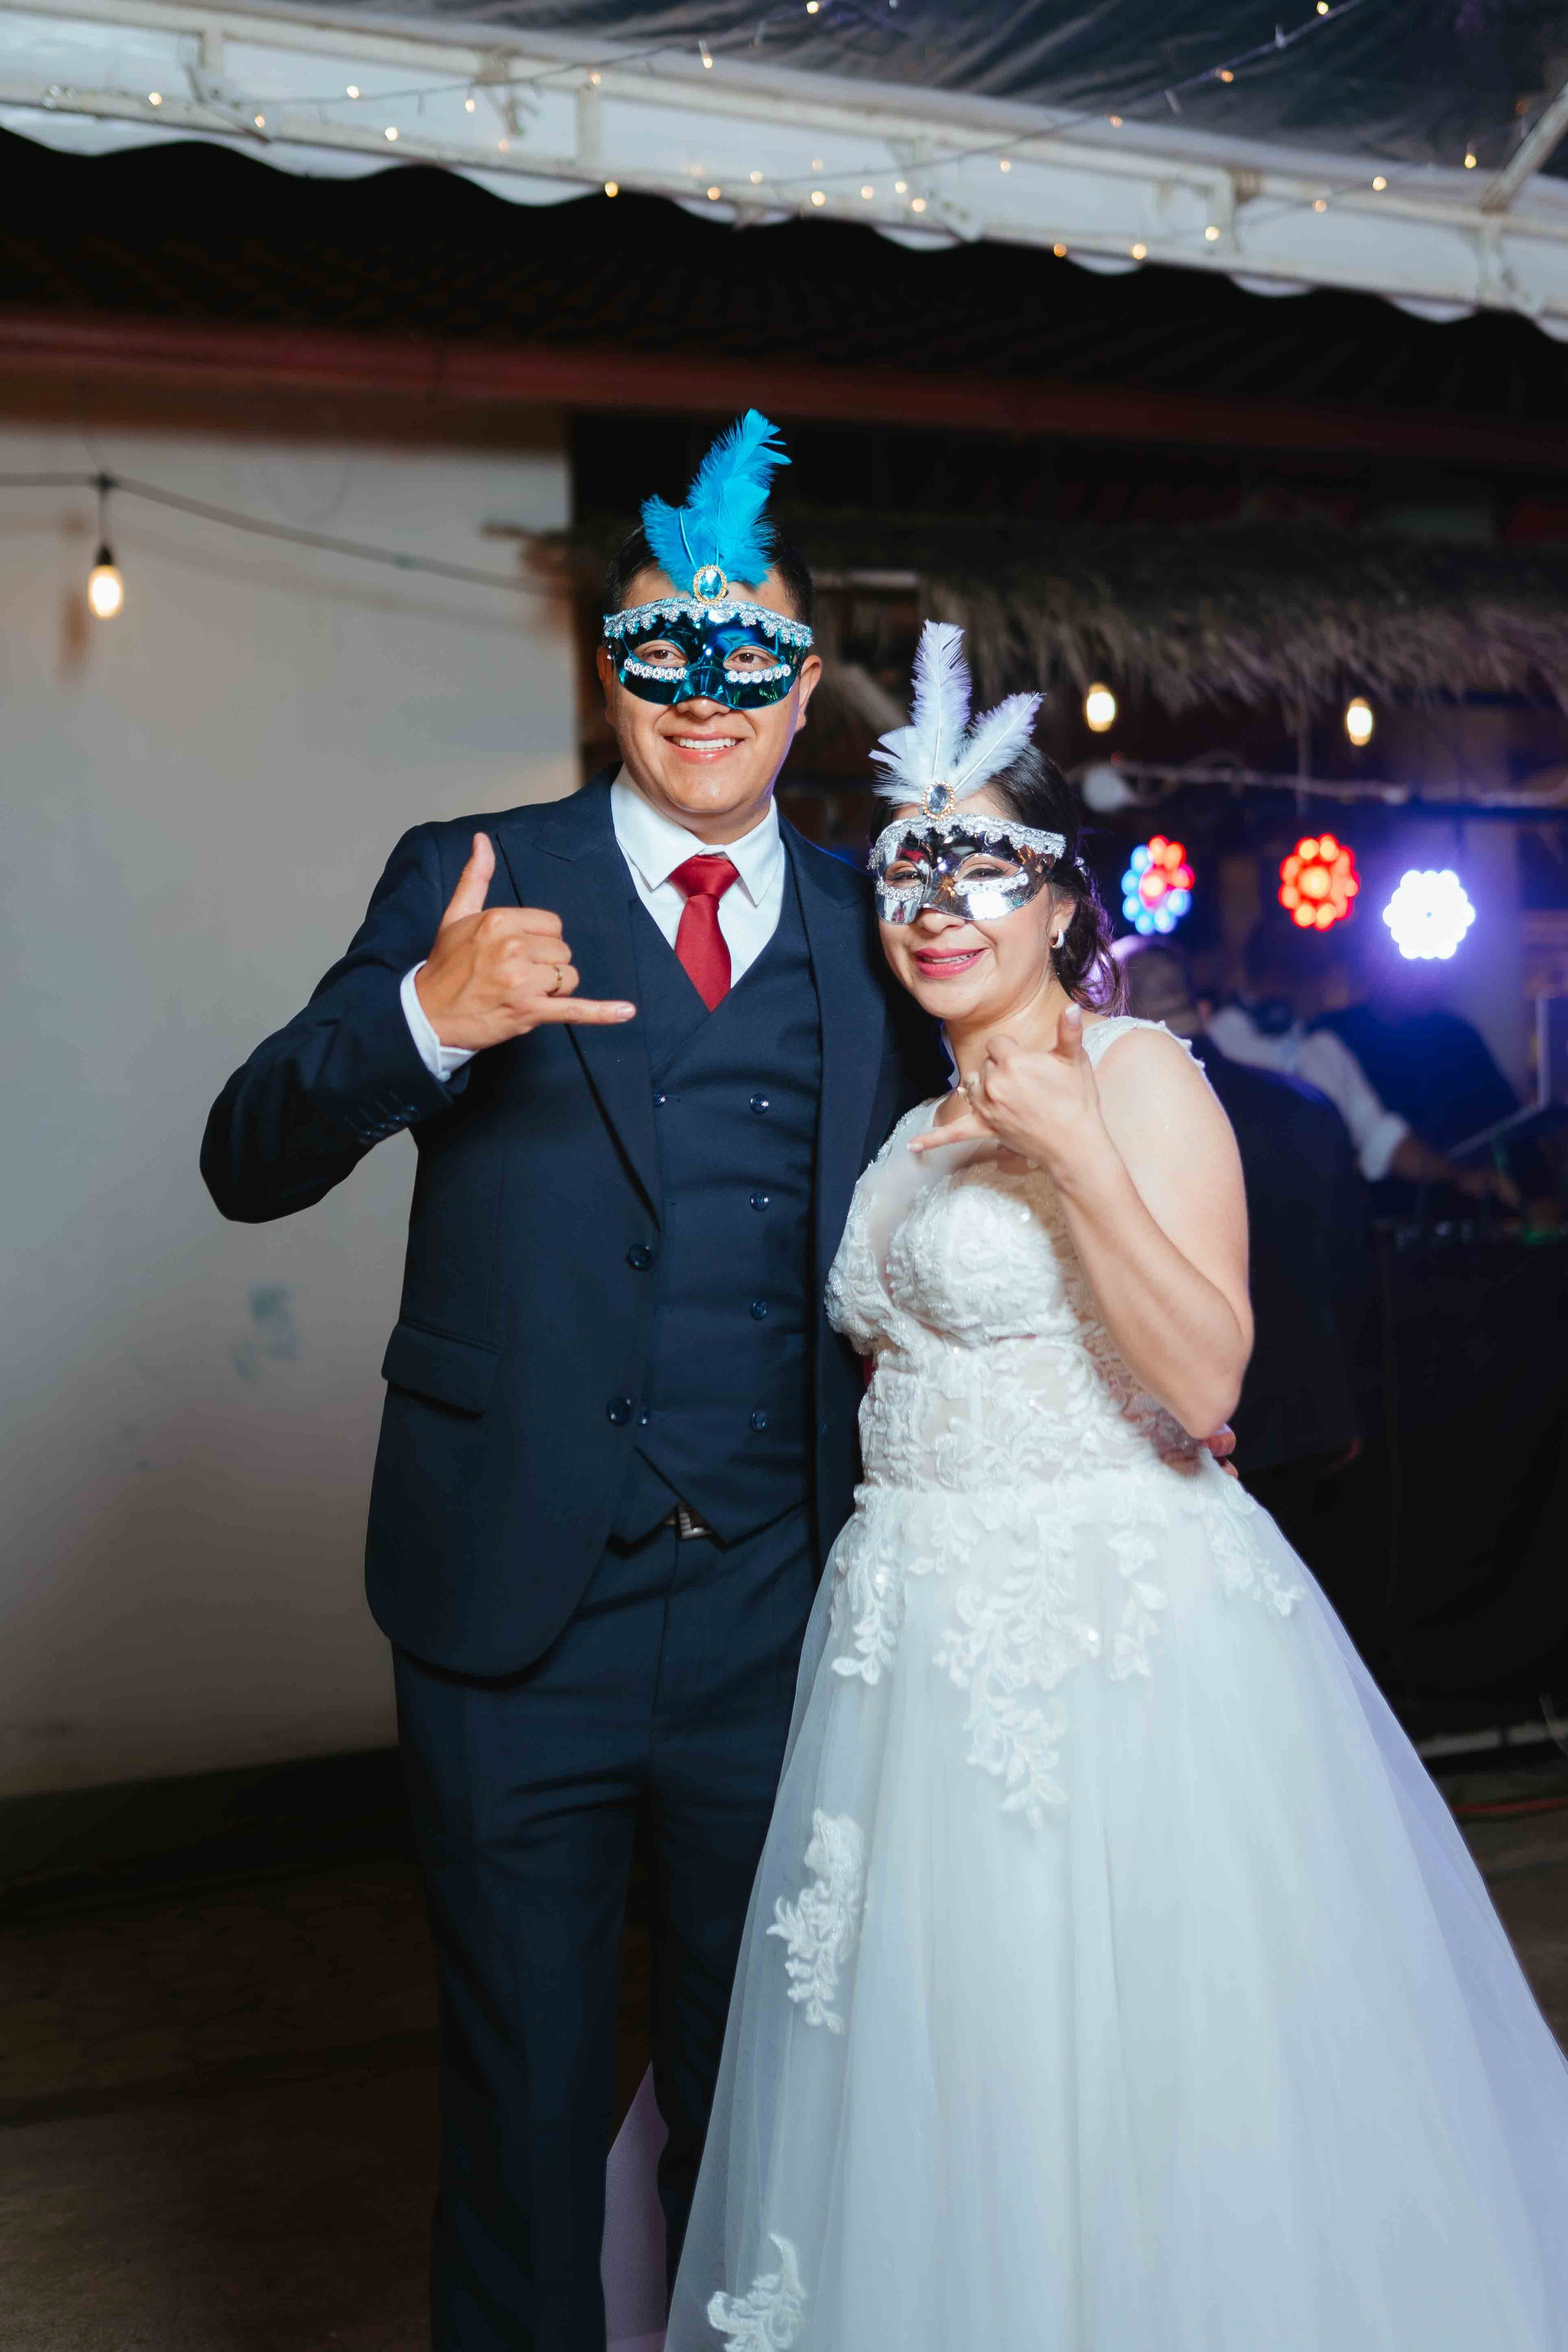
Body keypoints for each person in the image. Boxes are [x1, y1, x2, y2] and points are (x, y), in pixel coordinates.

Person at [667, 625, 1568, 2352]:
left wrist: (1075, 1153)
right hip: (906, 1652)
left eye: (979, 869)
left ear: (1063, 901)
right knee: (946, 2065)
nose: (935, 906)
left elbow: (1206, 1378)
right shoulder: (899, 1128)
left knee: (1126, 2062)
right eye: (905, 874)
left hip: (1108, 1641)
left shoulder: (1139, 1077)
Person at [200, 415, 952, 2352]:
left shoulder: (880, 928)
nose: (704, 689)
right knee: (521, 2123)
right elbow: (246, 1153)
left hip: (778, 1617)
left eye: (747, 653)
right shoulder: (473, 872)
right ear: (610, 671)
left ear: (803, 686)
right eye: (661, 647)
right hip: (509, 1607)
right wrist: (423, 1020)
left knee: (763, 2117)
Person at [1118, 937, 1370, 1566]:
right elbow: (1357, 1275)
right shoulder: (1308, 1105)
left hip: (1186, 1427)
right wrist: (1351, 1404)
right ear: (1203, 1008)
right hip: (1311, 1420)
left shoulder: (1122, 1119)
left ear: (1117, 1011)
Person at [1208, 921, 1515, 1207]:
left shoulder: (1324, 1050)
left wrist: (1457, 1176)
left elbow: (1383, 1140)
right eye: (1319, 981)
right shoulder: (1212, 1046)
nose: (1325, 994)